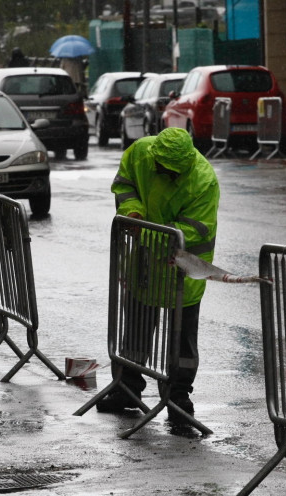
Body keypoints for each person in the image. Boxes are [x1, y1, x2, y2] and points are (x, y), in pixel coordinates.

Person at [97, 127, 220, 422]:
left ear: (186, 164)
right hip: (144, 262)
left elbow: (195, 231)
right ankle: (127, 389)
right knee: (137, 327)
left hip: (182, 267)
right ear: (154, 158)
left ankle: (178, 397)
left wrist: (148, 234)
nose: (166, 174)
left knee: (183, 337)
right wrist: (133, 211)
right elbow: (125, 185)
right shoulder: (139, 153)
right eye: (161, 168)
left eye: (172, 171)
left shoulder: (203, 181)